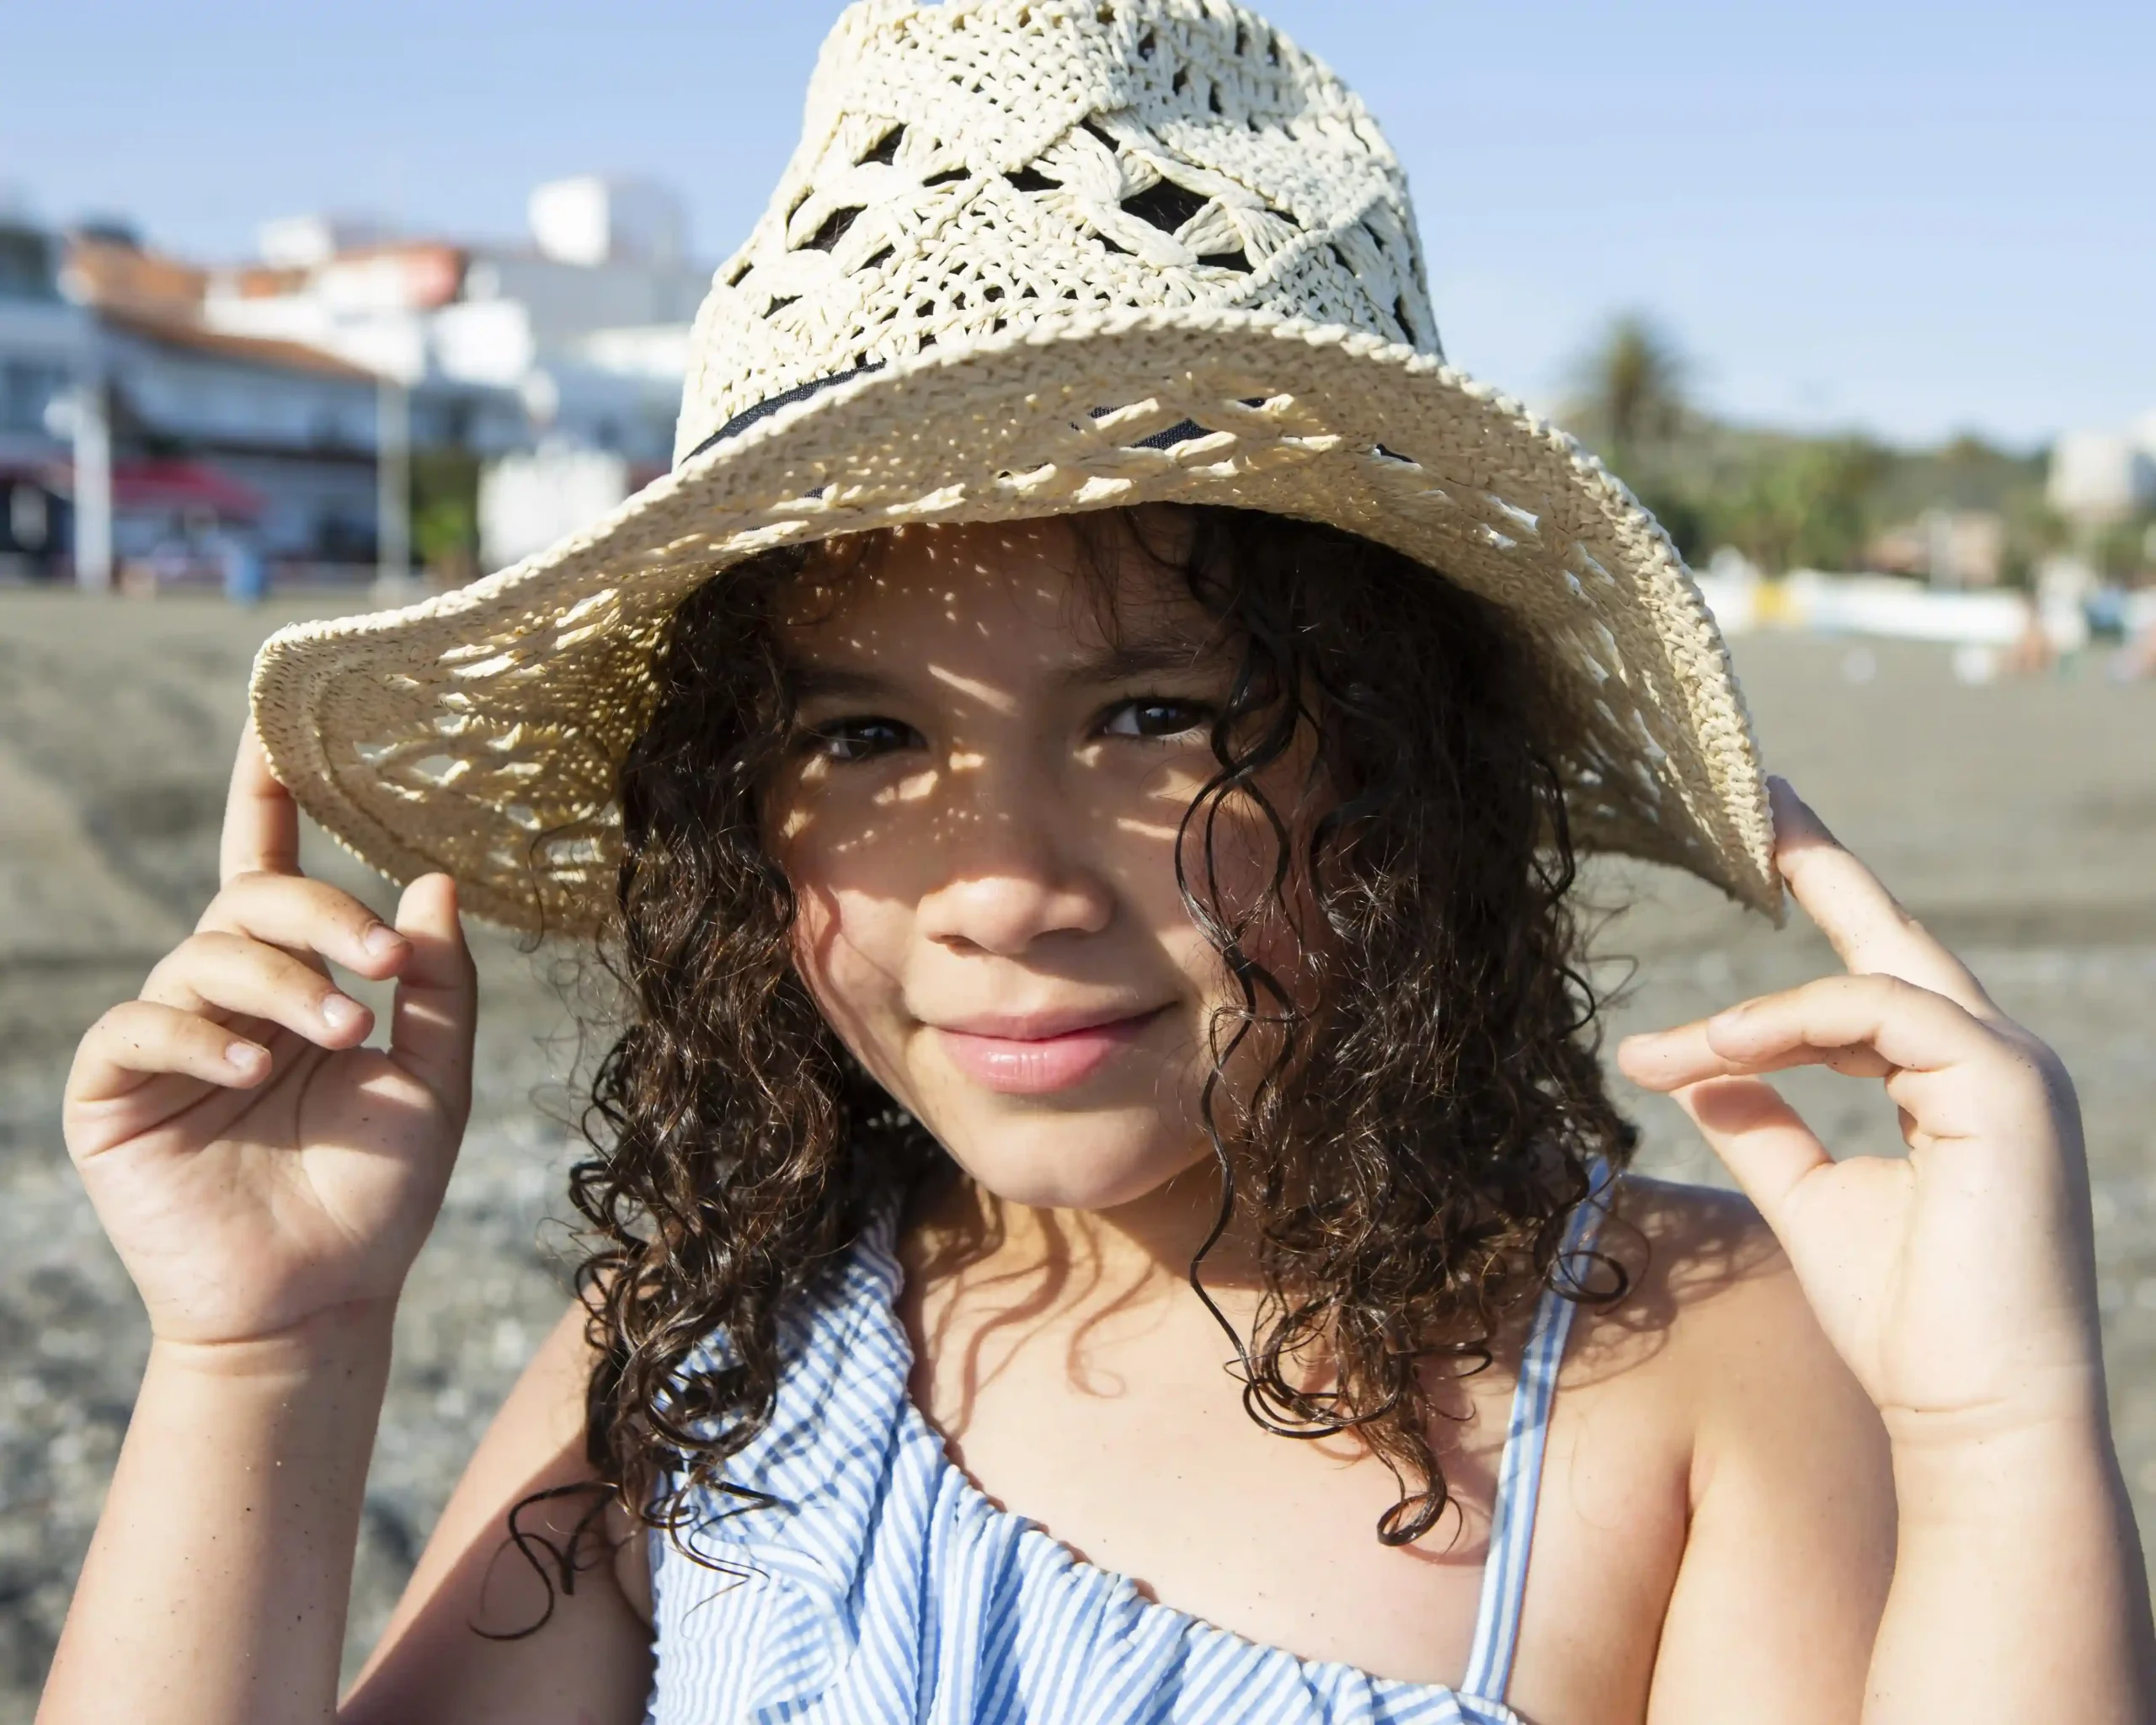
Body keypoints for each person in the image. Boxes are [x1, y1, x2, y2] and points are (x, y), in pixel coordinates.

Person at [42, 5, 2153, 1722]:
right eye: (862, 735)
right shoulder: (711, 1341)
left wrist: (1990, 1437)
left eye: (1156, 717)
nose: (1000, 884)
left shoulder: (1685, 1367)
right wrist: (267, 1355)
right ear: (728, 809)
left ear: (1402, 760)